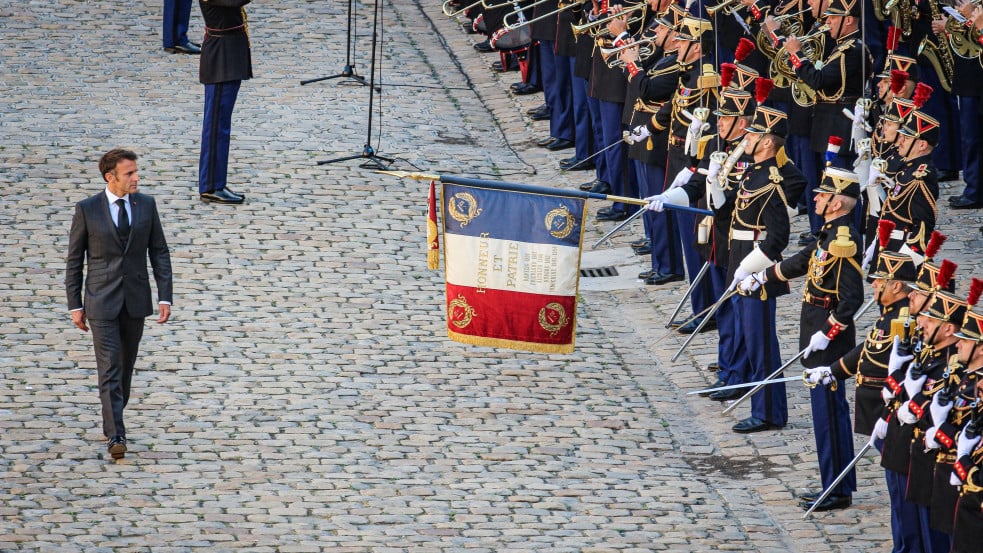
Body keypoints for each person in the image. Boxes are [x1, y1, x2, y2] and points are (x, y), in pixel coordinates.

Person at [744, 166, 864, 511]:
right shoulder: (828, 233)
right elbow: (803, 262)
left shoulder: (842, 242)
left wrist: (828, 334)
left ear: (837, 202)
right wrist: (763, 276)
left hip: (828, 340)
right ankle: (836, 482)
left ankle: (837, 489)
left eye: (823, 195)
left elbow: (851, 299)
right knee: (824, 415)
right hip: (815, 330)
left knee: (829, 415)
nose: (816, 199)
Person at [65, 149, 173, 460]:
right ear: (110, 177)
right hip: (100, 302)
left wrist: (164, 295)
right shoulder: (87, 209)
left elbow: (159, 252)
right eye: (129, 173)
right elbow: (75, 261)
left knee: (124, 369)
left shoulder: (146, 205)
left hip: (135, 300)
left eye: (136, 172)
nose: (136, 177)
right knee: (110, 366)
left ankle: (112, 416)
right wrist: (75, 303)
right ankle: (116, 434)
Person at [198, 0, 253, 205]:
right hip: (221, 58)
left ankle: (216, 181)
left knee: (221, 126)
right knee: (216, 128)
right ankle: (211, 185)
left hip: (229, 53)